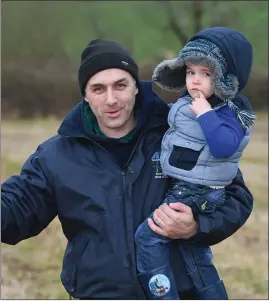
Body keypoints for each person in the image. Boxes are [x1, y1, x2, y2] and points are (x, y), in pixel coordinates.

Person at [1, 37, 254, 300]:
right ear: (85, 96)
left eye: (120, 85)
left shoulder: (182, 133)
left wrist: (197, 225)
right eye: (98, 89)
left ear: (136, 86)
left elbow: (236, 197)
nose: (111, 99)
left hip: (180, 293)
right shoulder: (56, 155)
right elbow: (17, 207)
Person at [135, 27, 256, 300]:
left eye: (206, 74)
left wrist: (206, 115)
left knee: (148, 237)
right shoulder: (190, 101)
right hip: (188, 184)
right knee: (194, 253)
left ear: (226, 78)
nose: (195, 81)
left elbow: (225, 146)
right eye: (191, 72)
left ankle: (163, 296)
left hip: (197, 190)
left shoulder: (231, 111)